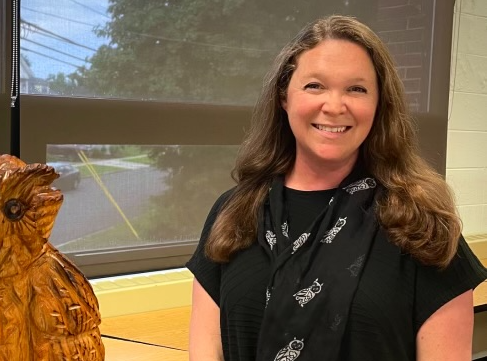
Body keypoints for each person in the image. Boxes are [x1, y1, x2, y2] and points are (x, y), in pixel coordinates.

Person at [187, 15, 487, 361]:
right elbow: (206, 351)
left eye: (356, 89)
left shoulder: (422, 225)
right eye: (315, 85)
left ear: (379, 105)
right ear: (284, 96)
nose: (334, 106)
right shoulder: (232, 214)